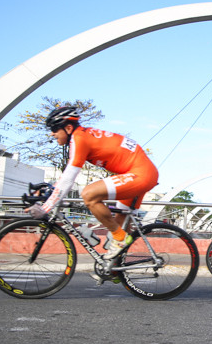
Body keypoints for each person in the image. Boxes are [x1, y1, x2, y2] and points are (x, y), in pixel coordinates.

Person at [27, 106, 159, 260]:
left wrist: (46, 207)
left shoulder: (79, 138)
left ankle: (120, 238)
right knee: (120, 226)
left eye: (55, 129)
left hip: (140, 174)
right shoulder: (83, 135)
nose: (52, 133)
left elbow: (69, 178)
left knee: (89, 194)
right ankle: (115, 269)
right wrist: (51, 190)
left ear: (68, 128)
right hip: (138, 172)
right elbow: (65, 178)